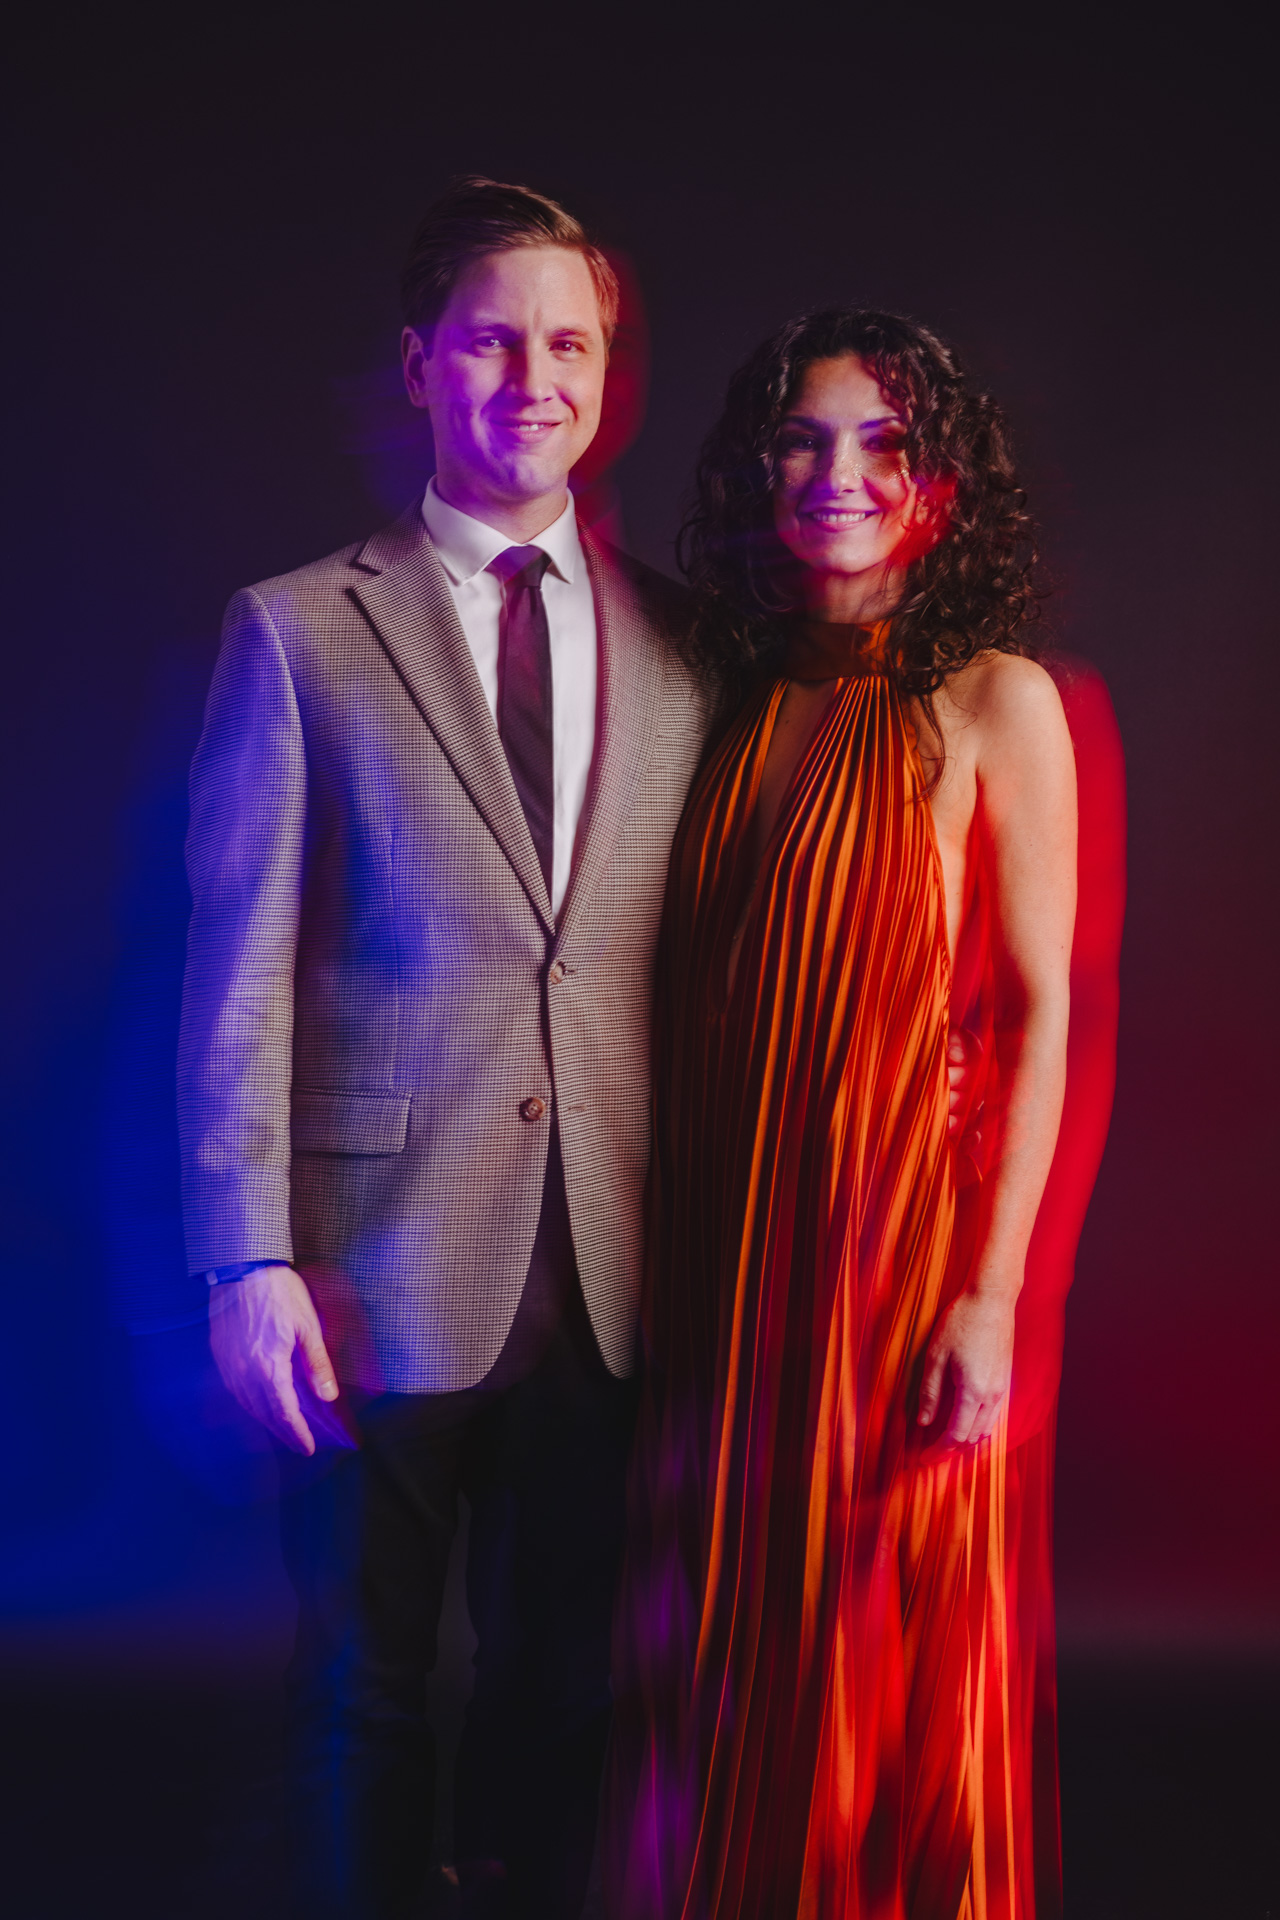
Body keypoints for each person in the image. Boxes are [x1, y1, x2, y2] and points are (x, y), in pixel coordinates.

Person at [177, 177, 711, 1919]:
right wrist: (245, 1257)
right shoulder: (299, 629)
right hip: (371, 1269)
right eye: (492, 342)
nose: (533, 379)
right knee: (366, 1692)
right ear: (421, 365)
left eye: (569, 345)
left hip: (615, 1265)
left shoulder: (688, 644)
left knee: (571, 1690)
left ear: (607, 370)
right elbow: (239, 969)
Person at [605, 309, 1081, 1919]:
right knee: (720, 1640)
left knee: (874, 1643)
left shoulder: (995, 700)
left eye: (885, 443)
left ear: (944, 480)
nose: (840, 474)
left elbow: (1036, 1019)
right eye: (804, 440)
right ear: (758, 468)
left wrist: (991, 1298)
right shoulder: (723, 690)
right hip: (718, 1250)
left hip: (886, 1261)